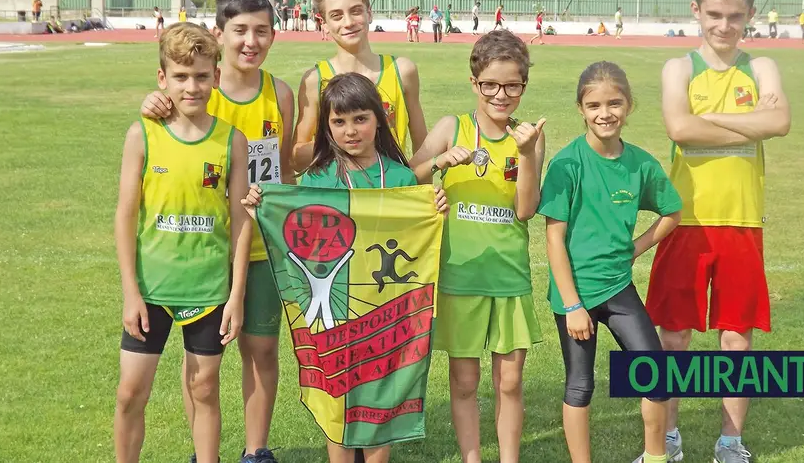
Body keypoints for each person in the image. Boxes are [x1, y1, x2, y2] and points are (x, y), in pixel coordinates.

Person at [243, 72, 448, 463]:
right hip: (336, 317)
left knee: (381, 393)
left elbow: (418, 242)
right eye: (338, 121)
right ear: (327, 127)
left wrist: (433, 210)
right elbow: (294, 236)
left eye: (360, 119)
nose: (350, 130)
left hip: (388, 312)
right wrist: (261, 206)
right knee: (338, 398)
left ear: (378, 120)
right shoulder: (318, 179)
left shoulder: (401, 178)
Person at [139, 0, 296, 463]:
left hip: (263, 248)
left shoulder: (279, 93)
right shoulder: (198, 88)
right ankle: (201, 453)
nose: (251, 41)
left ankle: (256, 451)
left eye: (262, 30)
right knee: (200, 365)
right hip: (206, 252)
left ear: (274, 34)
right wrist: (152, 101)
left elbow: (285, 170)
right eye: (240, 30)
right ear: (219, 33)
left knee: (262, 350)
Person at [646, 0, 791, 463]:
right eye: (714, 14)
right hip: (684, 221)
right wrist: (754, 127)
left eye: (734, 16)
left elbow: (781, 121)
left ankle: (730, 441)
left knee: (736, 336)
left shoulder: (762, 66)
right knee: (674, 334)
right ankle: (668, 436)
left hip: (743, 220)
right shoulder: (678, 68)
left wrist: (709, 118)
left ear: (749, 15)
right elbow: (679, 129)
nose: (724, 25)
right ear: (696, 11)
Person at [113, 22, 251, 463]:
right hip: (152, 289)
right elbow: (125, 216)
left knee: (205, 388)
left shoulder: (232, 140)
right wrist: (130, 292)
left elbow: (241, 220)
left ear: (215, 76)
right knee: (130, 393)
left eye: (202, 76)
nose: (192, 86)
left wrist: (237, 295)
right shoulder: (143, 135)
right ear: (162, 78)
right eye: (180, 76)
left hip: (208, 289)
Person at [408, 29, 546, 463]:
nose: (501, 95)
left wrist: (525, 154)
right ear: (475, 83)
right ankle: (472, 458)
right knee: (464, 380)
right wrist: (438, 164)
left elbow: (525, 210)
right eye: (491, 84)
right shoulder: (453, 127)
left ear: (524, 85)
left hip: (508, 274)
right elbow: (406, 175)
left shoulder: (530, 136)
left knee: (510, 381)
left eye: (512, 85)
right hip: (460, 273)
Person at [538, 61, 682, 463]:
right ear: (581, 109)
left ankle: (655, 457)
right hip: (575, 296)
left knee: (654, 375)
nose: (605, 113)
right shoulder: (567, 165)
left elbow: (672, 212)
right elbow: (554, 238)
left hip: (618, 288)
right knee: (580, 385)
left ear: (629, 105)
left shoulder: (640, 163)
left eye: (614, 103)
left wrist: (635, 248)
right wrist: (571, 305)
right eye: (594, 105)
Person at [292, 0, 428, 172]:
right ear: (324, 23)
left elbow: (422, 147)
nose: (348, 22)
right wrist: (342, 139)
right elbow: (296, 159)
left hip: (388, 193)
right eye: (336, 15)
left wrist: (420, 194)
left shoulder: (402, 71)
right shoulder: (315, 79)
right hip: (336, 197)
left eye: (356, 11)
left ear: (369, 13)